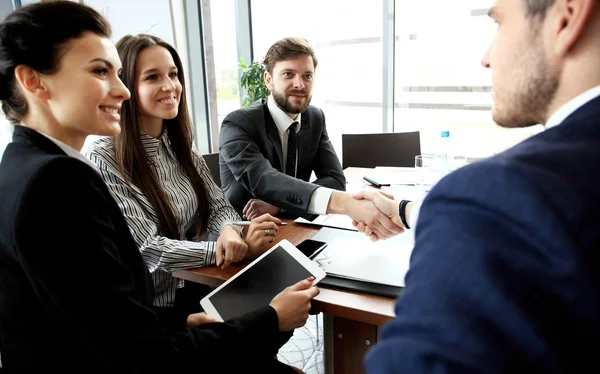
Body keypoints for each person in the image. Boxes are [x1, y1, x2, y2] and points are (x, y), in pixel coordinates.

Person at [0, 2, 318, 372]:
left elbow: (102, 320)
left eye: (118, 74)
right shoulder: (57, 181)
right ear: (33, 81)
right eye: (101, 71)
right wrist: (269, 319)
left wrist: (179, 323)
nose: (121, 91)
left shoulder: (25, 164)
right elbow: (134, 351)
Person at [365, 0, 600, 372]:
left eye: (499, 23)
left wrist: (451, 206)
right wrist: (407, 209)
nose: (486, 58)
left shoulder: (495, 194)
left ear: (566, 17)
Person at [84, 34, 282, 315]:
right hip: (155, 308)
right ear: (125, 86)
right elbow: (149, 249)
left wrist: (229, 231)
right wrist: (226, 250)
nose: (169, 86)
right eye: (152, 77)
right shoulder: (102, 158)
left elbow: (218, 204)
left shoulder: (179, 144)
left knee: (283, 296)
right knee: (266, 317)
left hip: (197, 281)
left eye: (173, 74)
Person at [219, 37, 404, 240]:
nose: (300, 84)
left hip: (294, 232)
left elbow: (335, 179)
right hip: (240, 241)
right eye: (288, 74)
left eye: (307, 76)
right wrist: (349, 204)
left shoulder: (314, 118)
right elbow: (264, 181)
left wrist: (279, 205)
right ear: (268, 79)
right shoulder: (238, 123)